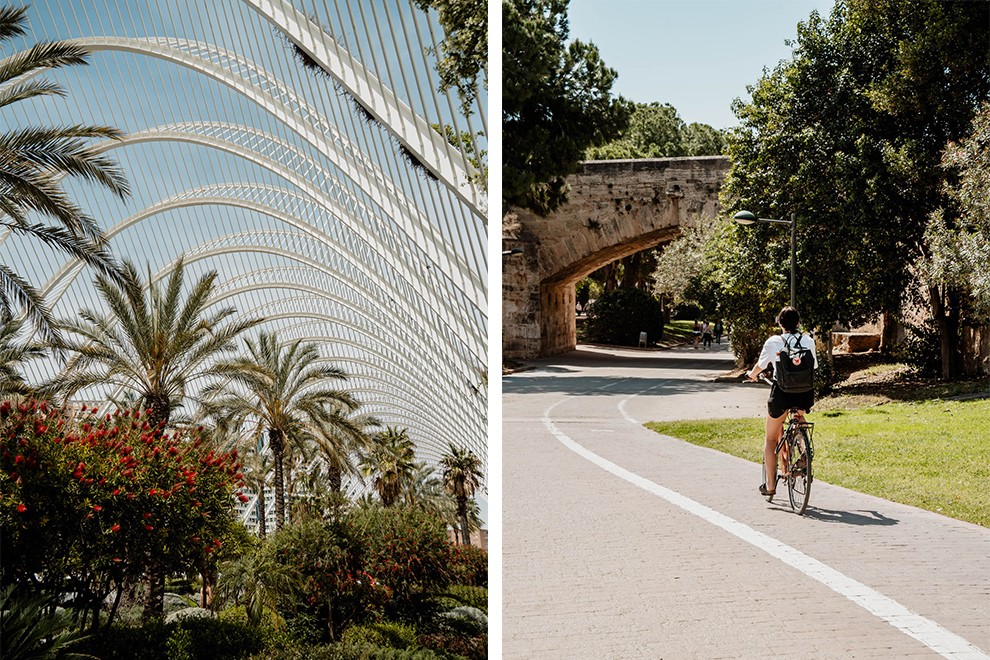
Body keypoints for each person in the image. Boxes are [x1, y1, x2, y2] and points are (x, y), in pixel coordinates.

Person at [746, 306, 818, 497]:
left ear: (779, 323)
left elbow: (759, 367)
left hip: (782, 393)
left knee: (770, 439)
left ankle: (770, 486)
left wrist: (752, 376)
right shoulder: (809, 341)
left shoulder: (773, 342)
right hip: (804, 393)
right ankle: (804, 452)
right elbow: (814, 366)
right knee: (799, 417)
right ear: (798, 323)